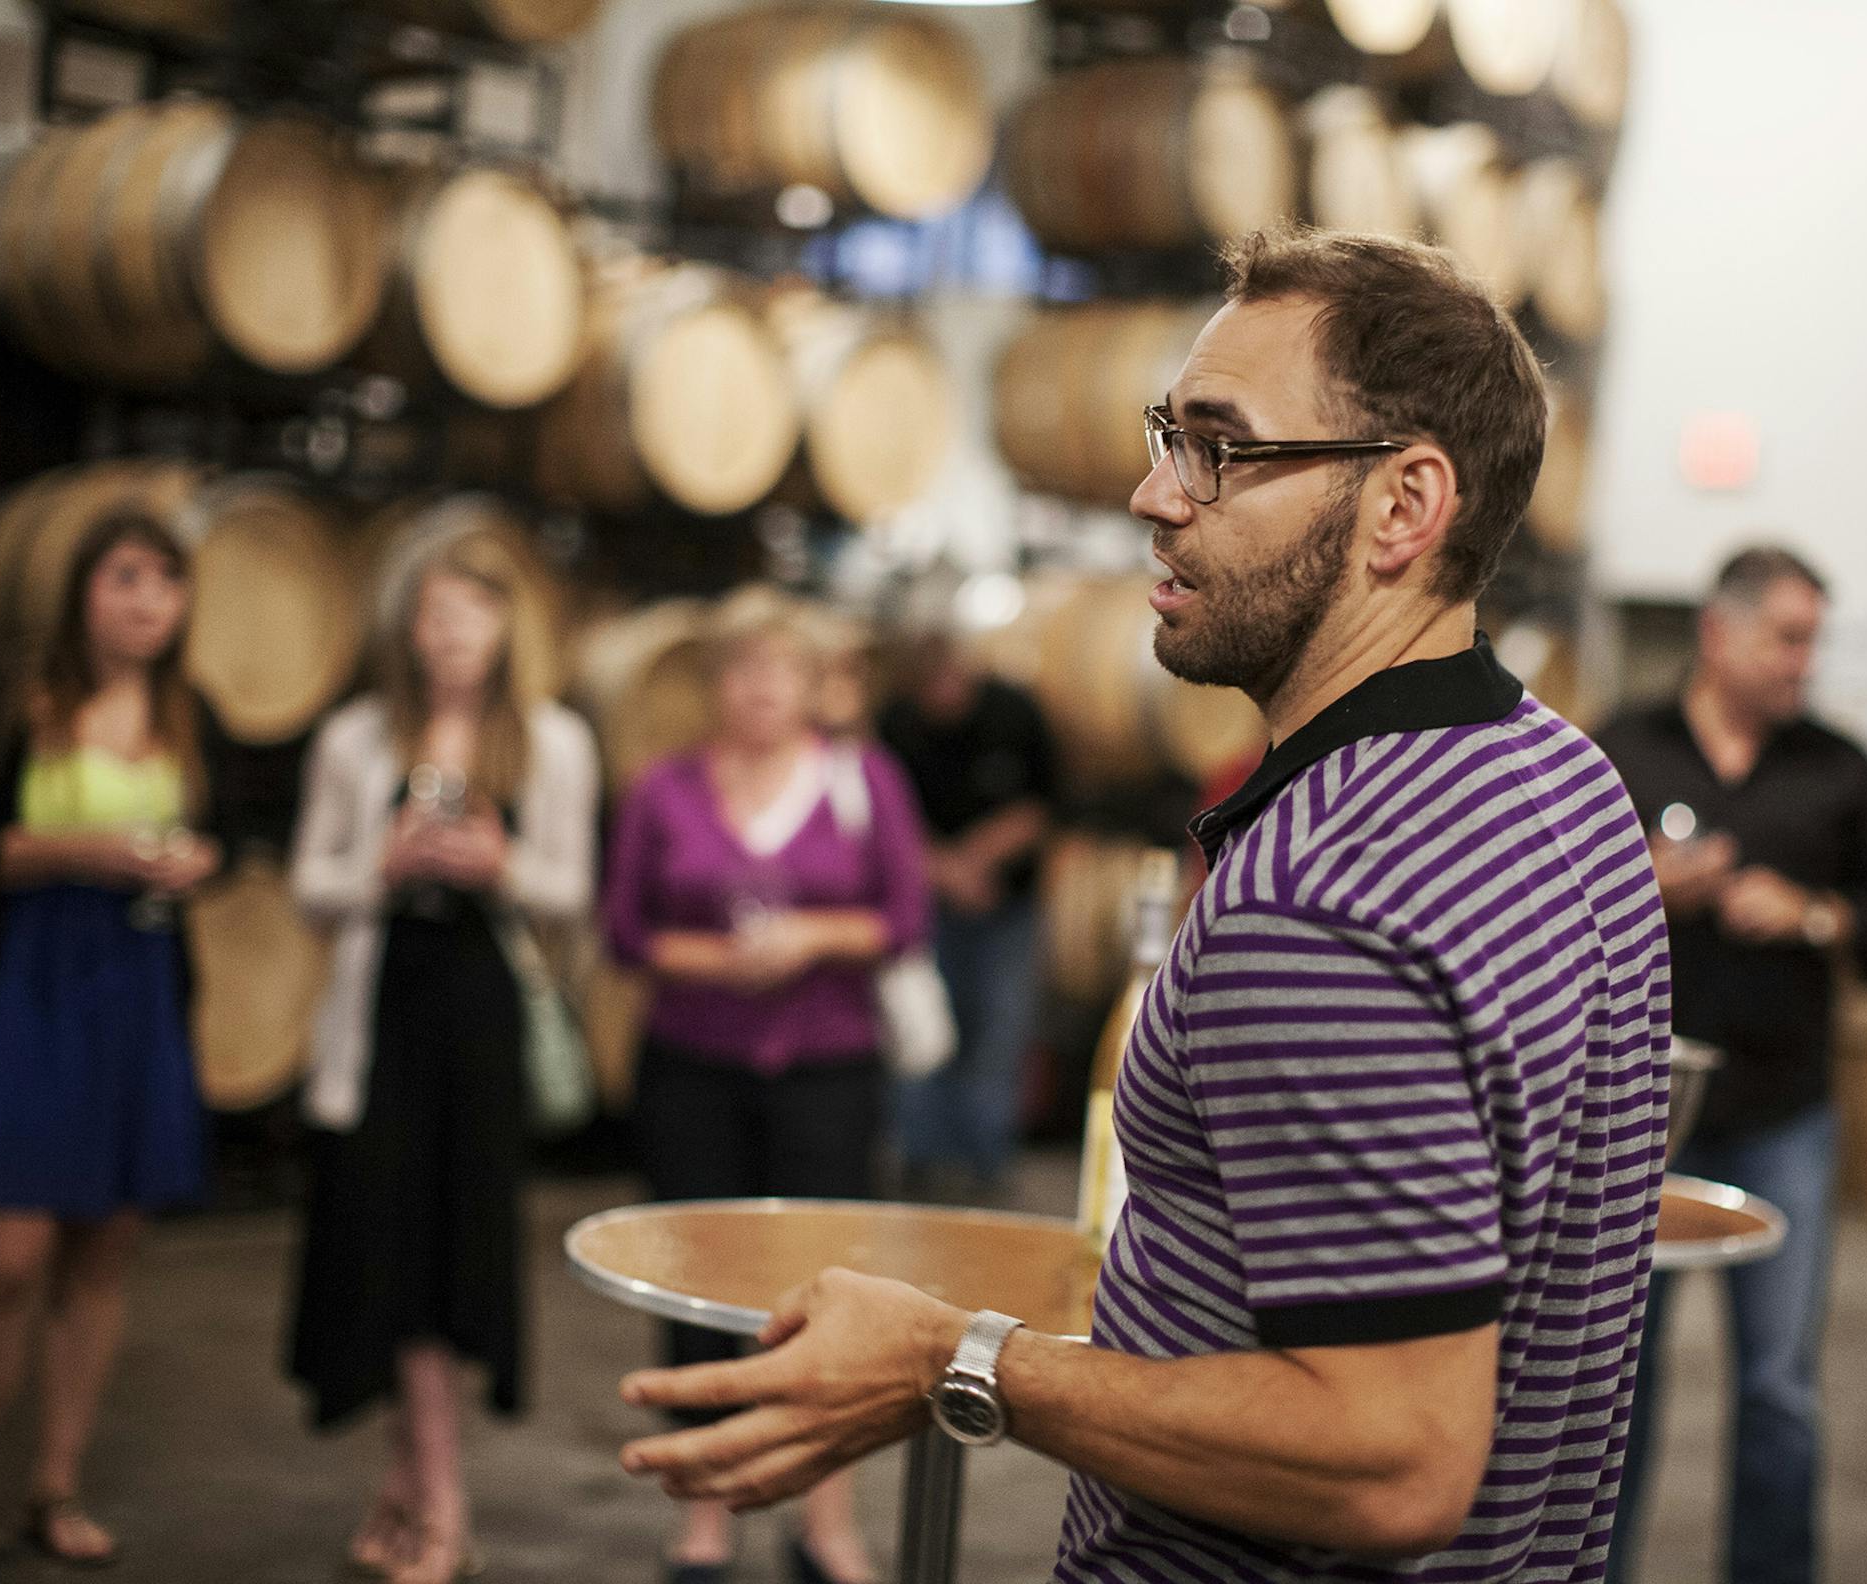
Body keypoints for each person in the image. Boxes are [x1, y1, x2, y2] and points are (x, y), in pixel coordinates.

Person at [611, 225, 1673, 1584]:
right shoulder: (1559, 782)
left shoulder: (1319, 902)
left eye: (1218, 449)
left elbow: (1396, 1454)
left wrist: (958, 1356)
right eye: (1168, 433)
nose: (1151, 493)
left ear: (1405, 508)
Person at [1595, 547, 1867, 1584]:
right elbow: (1542, 899)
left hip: (1784, 1118)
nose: (1804, 663)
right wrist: (1640, 886)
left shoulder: (1838, 767)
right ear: (1718, 633)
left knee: (1779, 1386)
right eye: (1789, 637)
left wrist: (1813, 911)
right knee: (1611, 1391)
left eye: (1812, 639)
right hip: (1635, 1122)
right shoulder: (1621, 749)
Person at [0, 510, 227, 1582]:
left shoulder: (191, 712)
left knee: (101, 1253)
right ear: (80, 586)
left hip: (138, 992)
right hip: (33, 984)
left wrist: (198, 864)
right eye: (125, 577)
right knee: (2, 1257)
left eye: (165, 583)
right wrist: (68, 849)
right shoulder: (9, 695)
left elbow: (234, 839)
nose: (145, 601)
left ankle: (57, 1485)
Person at [602, 585, 932, 1584]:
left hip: (827, 1065)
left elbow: (906, 918)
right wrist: (721, 962)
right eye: (742, 672)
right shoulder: (666, 790)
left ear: (807, 686)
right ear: (714, 686)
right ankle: (704, 1511)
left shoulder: (861, 780)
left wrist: (812, 940)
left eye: (779, 672)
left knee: (823, 1284)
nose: (760, 690)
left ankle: (825, 1515)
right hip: (693, 1063)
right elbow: (624, 933)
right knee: (696, 1285)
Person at [286, 530, 596, 1584]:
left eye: (471, 609)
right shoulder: (356, 740)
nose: (450, 630)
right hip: (382, 1024)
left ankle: (425, 1501)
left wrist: (499, 862)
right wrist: (386, 858)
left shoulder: (551, 742)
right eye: (433, 610)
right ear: (405, 626)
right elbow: (310, 888)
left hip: (481, 1024)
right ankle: (430, 1502)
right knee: (386, 1254)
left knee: (452, 1259)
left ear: (509, 624)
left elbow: (570, 892)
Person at [877, 628, 1056, 1199]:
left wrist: (977, 859)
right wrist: (947, 872)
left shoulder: (1015, 712)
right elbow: (888, 822)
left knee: (998, 1030)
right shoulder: (896, 723)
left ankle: (986, 1160)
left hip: (1006, 903)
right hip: (927, 899)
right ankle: (921, 1158)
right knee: (925, 1028)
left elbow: (1043, 805)